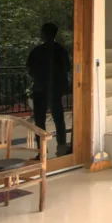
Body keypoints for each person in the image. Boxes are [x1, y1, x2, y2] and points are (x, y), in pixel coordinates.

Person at [26, 23, 70, 156]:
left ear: (44, 34)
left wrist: (39, 77)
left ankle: (42, 152)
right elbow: (67, 68)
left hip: (40, 89)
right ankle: (61, 147)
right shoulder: (60, 51)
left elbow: (30, 69)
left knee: (40, 121)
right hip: (54, 89)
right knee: (58, 118)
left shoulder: (38, 51)